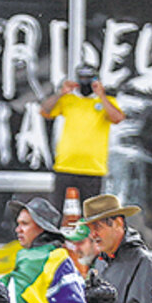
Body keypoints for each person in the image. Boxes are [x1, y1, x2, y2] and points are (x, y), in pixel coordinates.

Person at [41, 63, 124, 216]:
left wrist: (101, 96)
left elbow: (117, 118)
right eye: (82, 78)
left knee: (90, 216)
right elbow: (45, 111)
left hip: (92, 168)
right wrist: (61, 93)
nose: (85, 82)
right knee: (55, 213)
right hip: (65, 165)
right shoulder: (69, 100)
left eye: (89, 78)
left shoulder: (106, 101)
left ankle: (88, 240)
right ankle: (54, 239)